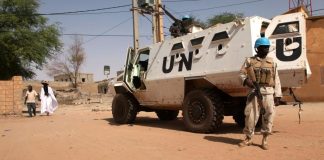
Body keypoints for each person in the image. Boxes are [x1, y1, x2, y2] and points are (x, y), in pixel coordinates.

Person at [238, 37, 282, 150]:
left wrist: (277, 95)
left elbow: (276, 78)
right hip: (254, 92)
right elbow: (241, 74)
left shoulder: (272, 62)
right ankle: (248, 138)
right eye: (263, 47)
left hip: (268, 93)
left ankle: (265, 139)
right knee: (250, 116)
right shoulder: (249, 61)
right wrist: (247, 81)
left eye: (267, 47)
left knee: (269, 115)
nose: (266, 49)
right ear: (257, 48)